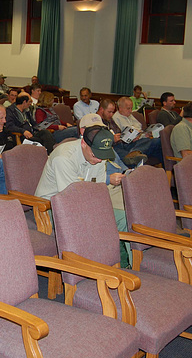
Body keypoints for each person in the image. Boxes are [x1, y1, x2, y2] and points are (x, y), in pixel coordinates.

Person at [34, 113, 131, 267]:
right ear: (83, 144)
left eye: (102, 156)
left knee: (123, 218)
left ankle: (127, 266)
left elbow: (97, 189)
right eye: (96, 155)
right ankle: (100, 267)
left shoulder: (98, 154)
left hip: (82, 201)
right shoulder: (64, 158)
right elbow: (71, 201)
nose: (99, 160)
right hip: (51, 207)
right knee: (99, 221)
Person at [111, 97, 162, 166]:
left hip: (139, 139)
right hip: (129, 144)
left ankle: (163, 171)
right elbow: (120, 137)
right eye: (128, 108)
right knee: (156, 142)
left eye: (131, 108)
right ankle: (133, 153)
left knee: (159, 144)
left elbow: (139, 128)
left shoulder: (130, 116)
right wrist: (133, 137)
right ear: (120, 108)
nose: (130, 111)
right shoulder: (116, 118)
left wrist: (145, 134)